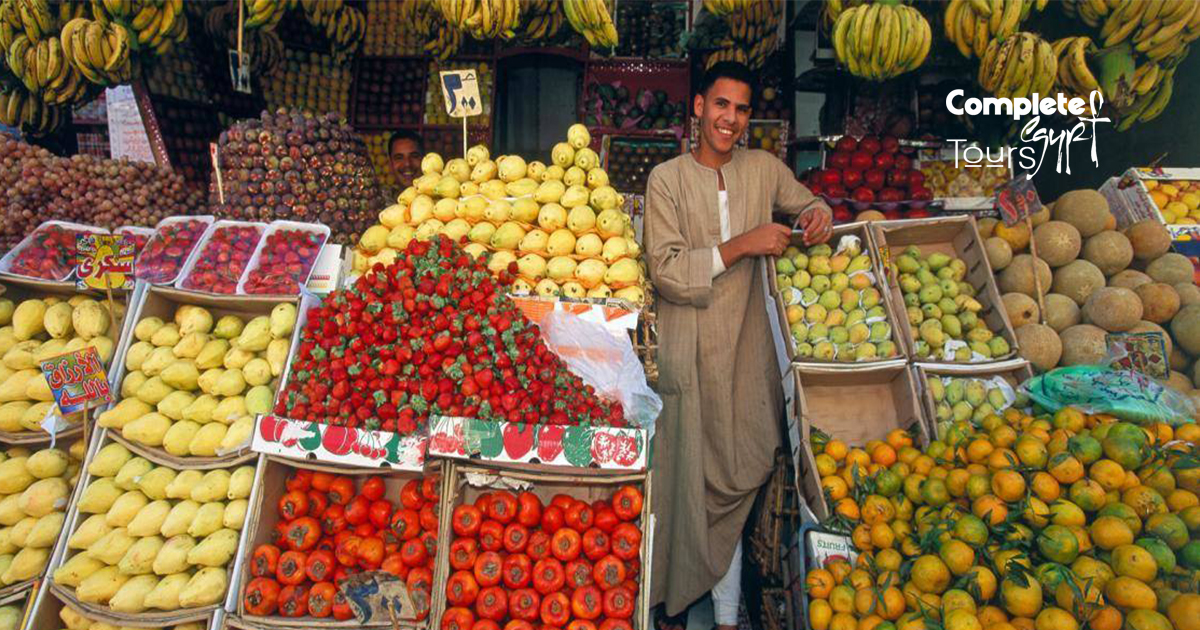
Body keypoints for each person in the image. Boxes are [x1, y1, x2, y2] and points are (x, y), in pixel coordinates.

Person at [645, 61, 832, 630]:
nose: (730, 119)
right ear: (698, 107)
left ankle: (725, 615)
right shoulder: (667, 179)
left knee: (743, 469)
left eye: (742, 109)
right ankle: (677, 601)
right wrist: (742, 245)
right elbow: (668, 270)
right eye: (721, 105)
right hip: (690, 349)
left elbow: (807, 205)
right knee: (689, 481)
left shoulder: (764, 169)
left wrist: (818, 212)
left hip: (748, 349)